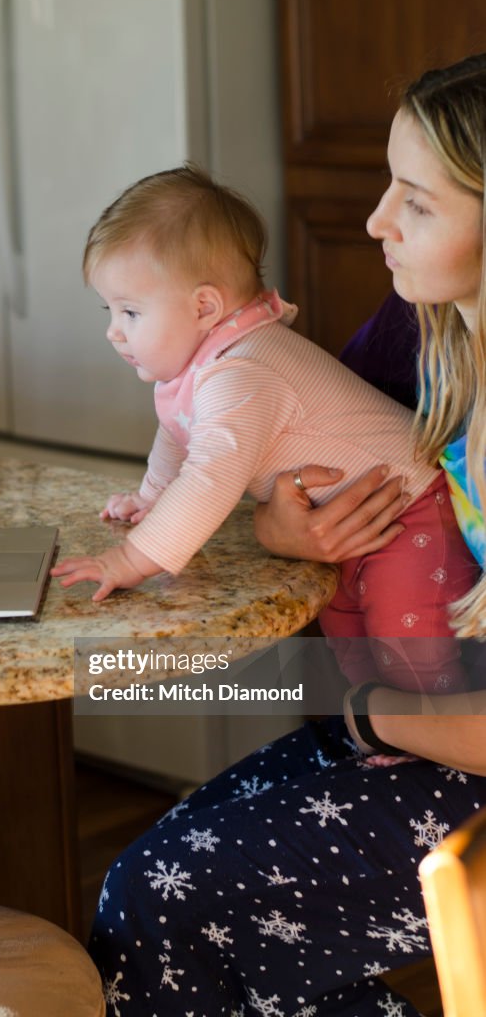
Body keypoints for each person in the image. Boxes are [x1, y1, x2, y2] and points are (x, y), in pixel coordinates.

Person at [86, 53, 486, 1017]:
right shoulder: (427, 339)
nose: (375, 222)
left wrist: (363, 714)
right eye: (386, 185)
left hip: (453, 749)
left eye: (417, 203)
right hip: (422, 718)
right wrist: (284, 526)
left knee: (153, 907)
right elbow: (282, 450)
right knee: (142, 881)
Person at [52, 164, 477, 692]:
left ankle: (426, 743)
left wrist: (130, 559)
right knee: (346, 632)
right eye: (110, 311)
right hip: (354, 521)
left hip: (412, 509)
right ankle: (381, 741)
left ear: (205, 306)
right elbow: (179, 432)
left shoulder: (242, 373)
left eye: (130, 312)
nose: (114, 332)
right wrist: (153, 496)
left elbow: (209, 477)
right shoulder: (210, 362)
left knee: (405, 647)